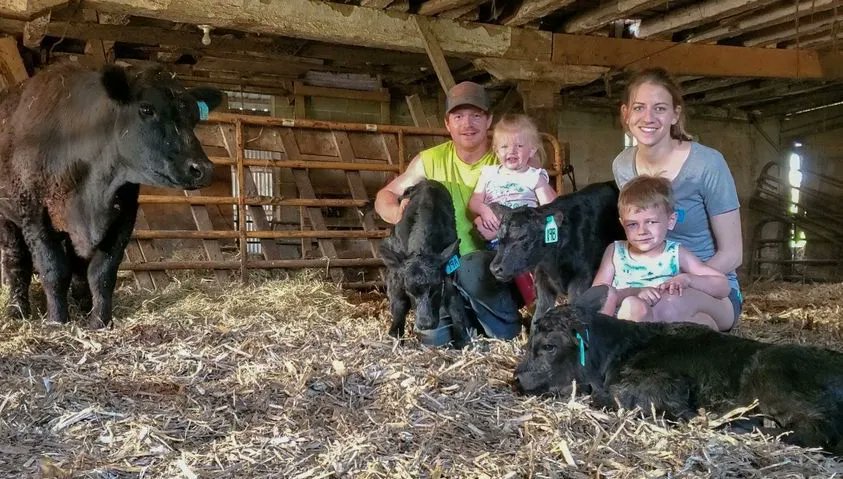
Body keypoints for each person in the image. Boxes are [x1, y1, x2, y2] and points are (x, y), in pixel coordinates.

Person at [375, 81, 521, 342]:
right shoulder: (429, 160)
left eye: (476, 116)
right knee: (435, 340)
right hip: (440, 274)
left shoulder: (508, 159)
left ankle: (502, 327)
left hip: (489, 268)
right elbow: (384, 196)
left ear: (488, 121)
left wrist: (504, 231)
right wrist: (399, 214)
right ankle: (465, 319)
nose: (468, 124)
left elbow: (531, 218)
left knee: (471, 267)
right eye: (459, 116)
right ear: (447, 124)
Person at [611, 67, 743, 331]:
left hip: (709, 285)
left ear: (675, 114)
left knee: (668, 308)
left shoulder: (707, 164)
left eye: (660, 108)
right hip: (647, 285)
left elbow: (733, 253)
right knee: (695, 327)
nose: (648, 117)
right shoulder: (622, 166)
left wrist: (681, 280)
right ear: (625, 114)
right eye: (639, 108)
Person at [592, 175, 731, 329]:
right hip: (626, 321)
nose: (641, 231)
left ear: (671, 221)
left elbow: (722, 285)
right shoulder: (615, 252)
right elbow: (598, 295)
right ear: (622, 224)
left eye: (651, 222)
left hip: (667, 320)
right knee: (634, 306)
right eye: (632, 224)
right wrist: (635, 291)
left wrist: (688, 279)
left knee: (702, 322)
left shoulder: (674, 253)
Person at [468, 113, 557, 305]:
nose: (512, 151)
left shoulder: (534, 177)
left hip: (522, 238)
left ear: (532, 150)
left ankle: (533, 301)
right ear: (496, 150)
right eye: (505, 146)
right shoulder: (489, 174)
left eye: (519, 146)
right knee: (496, 264)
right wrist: (484, 211)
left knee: (522, 263)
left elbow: (549, 208)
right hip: (496, 232)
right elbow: (474, 202)